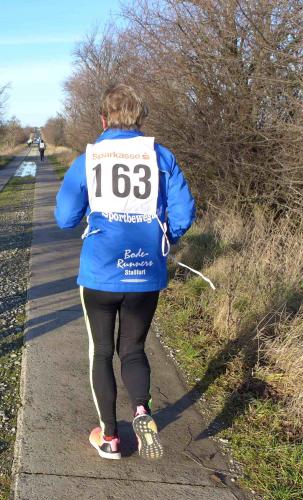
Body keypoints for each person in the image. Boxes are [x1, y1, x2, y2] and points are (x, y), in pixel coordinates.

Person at [54, 83, 195, 460]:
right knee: (133, 349)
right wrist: (162, 237)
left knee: (100, 352)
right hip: (145, 271)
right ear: (140, 118)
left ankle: (110, 438)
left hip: (100, 272)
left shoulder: (89, 159)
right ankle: (142, 409)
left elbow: (65, 217)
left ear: (103, 119)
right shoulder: (161, 156)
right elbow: (184, 214)